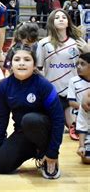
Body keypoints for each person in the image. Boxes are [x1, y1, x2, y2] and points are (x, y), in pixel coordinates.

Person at [0, 44, 65, 179]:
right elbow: (1, 120)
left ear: (34, 65)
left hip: (44, 130)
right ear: (10, 64)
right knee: (1, 166)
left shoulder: (44, 85)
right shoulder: (4, 87)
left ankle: (45, 154)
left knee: (30, 119)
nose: (22, 63)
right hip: (22, 133)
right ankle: (34, 151)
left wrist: (53, 152)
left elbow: (58, 120)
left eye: (27, 59)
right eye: (17, 59)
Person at [36, 9, 84, 140]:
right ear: (51, 22)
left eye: (64, 17)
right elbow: (38, 69)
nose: (61, 19)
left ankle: (71, 122)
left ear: (68, 22)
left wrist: (87, 50)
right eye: (57, 17)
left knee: (79, 128)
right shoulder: (44, 43)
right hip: (52, 89)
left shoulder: (77, 43)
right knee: (52, 127)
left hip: (73, 90)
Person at [68, 52, 90, 132]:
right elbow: (71, 103)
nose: (78, 67)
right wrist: (84, 108)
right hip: (79, 115)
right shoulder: (73, 81)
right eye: (78, 64)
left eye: (82, 64)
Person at [76, 90, 90, 164]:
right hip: (88, 134)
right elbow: (82, 128)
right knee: (86, 158)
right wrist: (81, 146)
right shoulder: (83, 107)